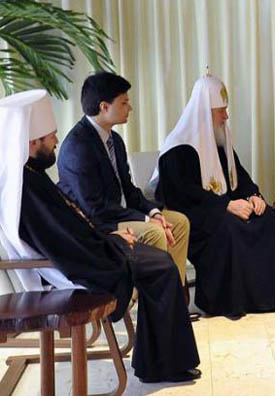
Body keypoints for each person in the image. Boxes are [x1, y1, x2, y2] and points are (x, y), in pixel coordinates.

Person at [0, 90, 200, 383]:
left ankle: (160, 361)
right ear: (32, 142)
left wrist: (110, 239)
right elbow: (59, 241)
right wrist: (111, 242)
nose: (57, 141)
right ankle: (161, 365)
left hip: (84, 249)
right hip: (66, 267)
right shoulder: (23, 188)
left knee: (160, 263)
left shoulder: (29, 172)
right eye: (51, 137)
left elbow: (67, 225)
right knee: (161, 267)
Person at [149, 72, 275, 317]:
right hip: (195, 217)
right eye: (220, 111)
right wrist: (225, 205)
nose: (226, 117)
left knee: (266, 217)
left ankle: (267, 299)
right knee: (229, 225)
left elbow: (239, 177)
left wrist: (254, 196)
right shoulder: (177, 148)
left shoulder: (220, 139)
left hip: (221, 207)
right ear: (204, 112)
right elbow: (183, 196)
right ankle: (229, 303)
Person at [57, 72, 190, 284]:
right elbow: (95, 208)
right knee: (154, 232)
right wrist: (146, 220)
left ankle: (174, 302)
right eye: (124, 102)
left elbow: (129, 189)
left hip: (120, 215)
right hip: (98, 224)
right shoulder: (78, 147)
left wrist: (153, 212)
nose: (130, 108)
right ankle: (157, 307)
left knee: (179, 223)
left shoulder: (115, 140)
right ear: (104, 107)